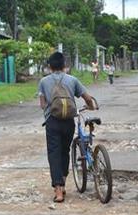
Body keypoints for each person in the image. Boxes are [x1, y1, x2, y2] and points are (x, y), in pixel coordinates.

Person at [38, 52, 95, 203]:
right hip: (68, 121)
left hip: (52, 121)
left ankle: (58, 190)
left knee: (54, 153)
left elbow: (42, 104)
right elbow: (87, 98)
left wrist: (47, 106)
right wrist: (90, 107)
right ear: (64, 66)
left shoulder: (43, 81)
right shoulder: (72, 80)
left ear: (49, 66)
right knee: (64, 151)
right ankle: (63, 180)